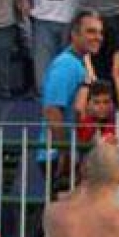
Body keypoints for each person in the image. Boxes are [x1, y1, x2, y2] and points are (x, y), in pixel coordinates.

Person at [43, 11, 104, 160]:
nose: (98, 37)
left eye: (100, 32)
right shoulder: (66, 64)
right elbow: (52, 110)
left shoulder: (79, 63)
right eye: (91, 31)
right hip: (59, 159)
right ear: (74, 35)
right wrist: (64, 153)